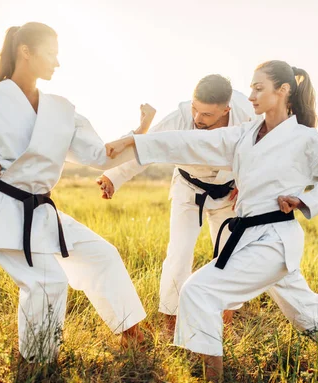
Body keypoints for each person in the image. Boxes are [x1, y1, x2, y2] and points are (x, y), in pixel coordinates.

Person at [106, 60, 318, 383]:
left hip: (274, 237)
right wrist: (135, 142)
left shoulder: (305, 139)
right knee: (305, 310)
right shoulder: (244, 133)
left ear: (283, 91)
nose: (252, 95)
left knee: (199, 291)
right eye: (252, 87)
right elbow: (189, 143)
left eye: (259, 88)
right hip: (247, 234)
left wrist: (305, 200)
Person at [0, 22, 155, 362]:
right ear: (26, 52)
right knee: (47, 283)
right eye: (51, 53)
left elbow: (98, 155)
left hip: (40, 211)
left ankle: (131, 334)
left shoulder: (61, 108)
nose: (57, 62)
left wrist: (138, 132)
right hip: (1, 209)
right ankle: (38, 364)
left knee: (102, 254)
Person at [97, 75, 257, 334]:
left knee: (232, 255)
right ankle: (170, 321)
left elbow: (260, 148)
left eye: (206, 114)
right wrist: (113, 177)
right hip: (189, 188)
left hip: (229, 192)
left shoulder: (246, 114)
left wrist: (248, 180)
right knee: (179, 253)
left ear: (226, 109)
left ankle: (224, 319)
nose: (198, 118)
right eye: (195, 108)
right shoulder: (180, 117)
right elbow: (147, 149)